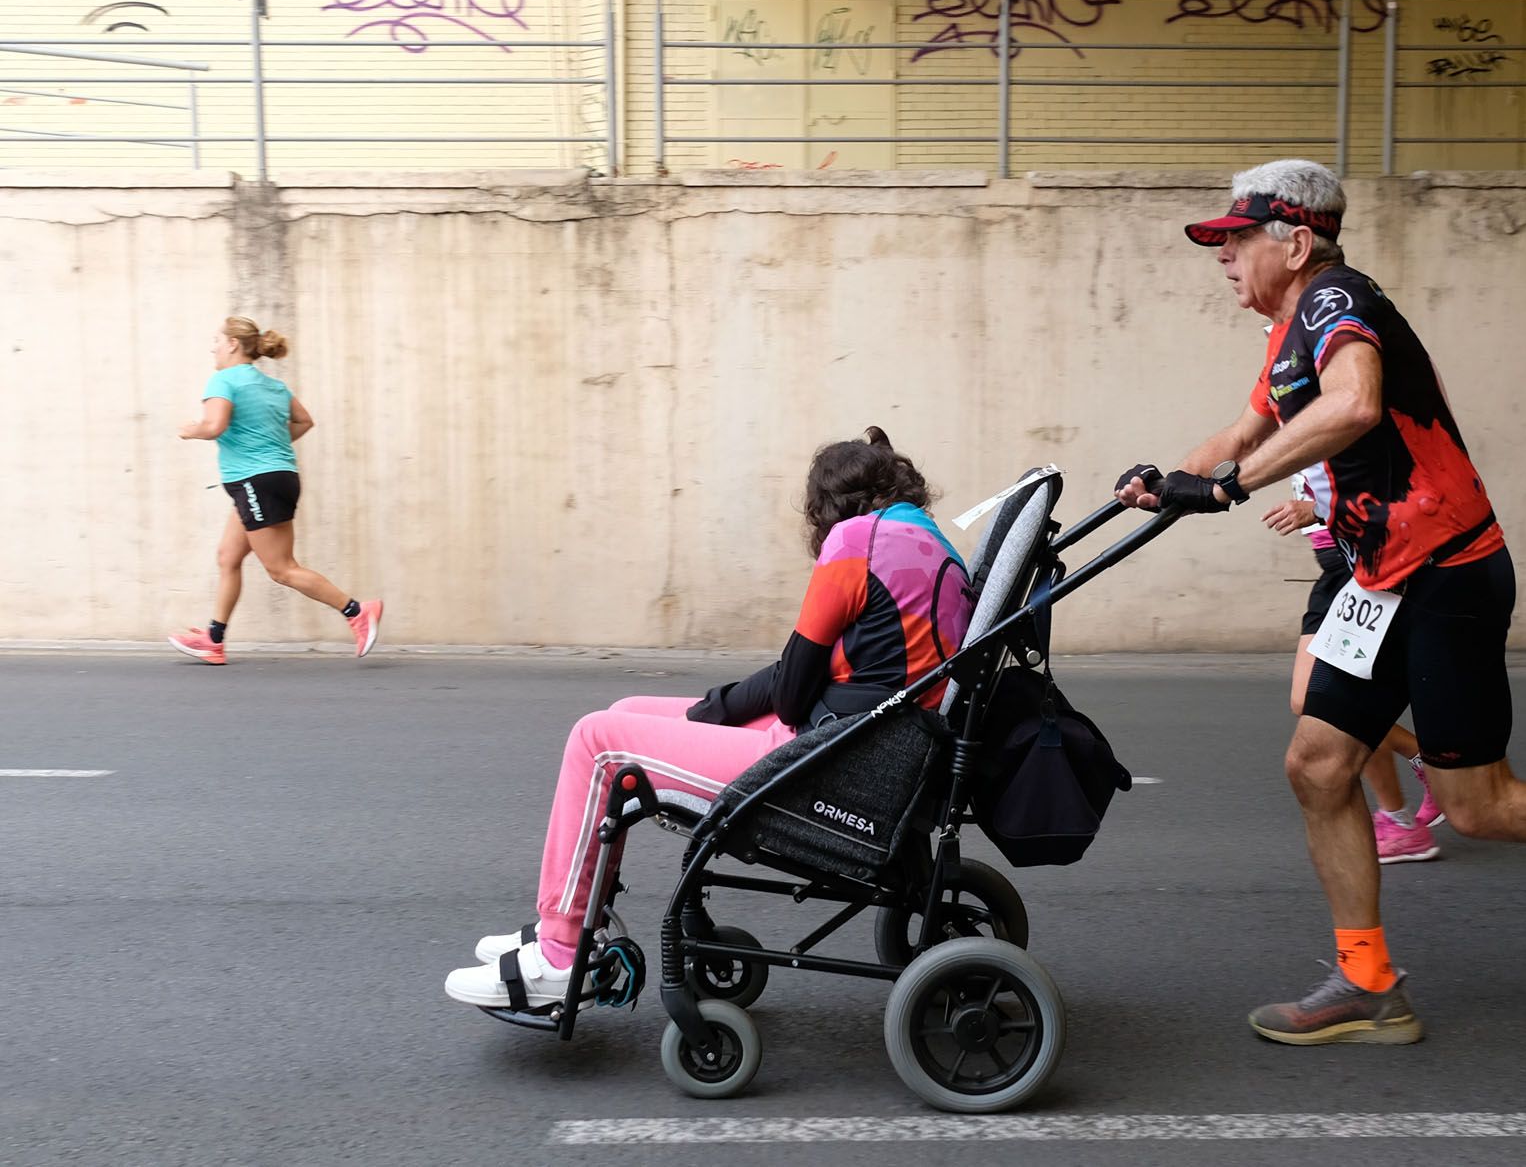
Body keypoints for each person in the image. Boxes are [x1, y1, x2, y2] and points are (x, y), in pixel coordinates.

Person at [1114, 159, 1526, 1046]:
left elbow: (1354, 405)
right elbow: (1242, 434)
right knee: (1316, 765)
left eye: (1237, 240)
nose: (1223, 257)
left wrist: (1228, 488)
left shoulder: (1335, 300)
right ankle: (1367, 983)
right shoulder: (1286, 335)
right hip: (1380, 578)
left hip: (1444, 572)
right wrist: (1169, 481)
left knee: (1480, 806)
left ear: (1296, 240)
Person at [444, 427, 972, 1009]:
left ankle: (561, 953)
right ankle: (573, 924)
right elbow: (804, 679)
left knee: (596, 740)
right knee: (626, 712)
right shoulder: (932, 545)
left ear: (829, 508)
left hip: (824, 765)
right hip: (865, 752)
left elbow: (792, 688)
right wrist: (707, 713)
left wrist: (715, 711)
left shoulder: (856, 542)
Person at [170, 317, 381, 665]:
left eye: (217, 340)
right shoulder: (274, 387)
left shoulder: (223, 380)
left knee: (281, 569)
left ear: (234, 345)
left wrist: (192, 430)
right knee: (228, 556)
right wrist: (272, 446)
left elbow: (215, 425)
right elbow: (304, 421)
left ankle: (358, 611)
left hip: (256, 482)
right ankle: (214, 639)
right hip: (273, 477)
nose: (213, 347)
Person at [1265, 486, 1440, 863]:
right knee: (1307, 701)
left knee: (1339, 708)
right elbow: (1244, 445)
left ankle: (1401, 822)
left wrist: (1316, 509)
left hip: (1363, 570)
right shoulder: (1288, 431)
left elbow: (1384, 494)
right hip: (1335, 576)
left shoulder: (1339, 428)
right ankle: (1428, 766)